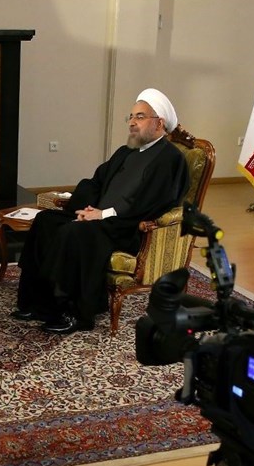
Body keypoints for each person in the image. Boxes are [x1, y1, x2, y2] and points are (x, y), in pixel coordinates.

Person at [13, 88, 190, 334]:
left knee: (74, 234)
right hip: (101, 219)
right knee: (46, 220)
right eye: (131, 116)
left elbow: (151, 204)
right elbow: (96, 182)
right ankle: (36, 302)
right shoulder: (126, 151)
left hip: (127, 228)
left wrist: (102, 215)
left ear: (159, 123)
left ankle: (73, 313)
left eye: (139, 117)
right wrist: (85, 208)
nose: (132, 122)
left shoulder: (170, 159)